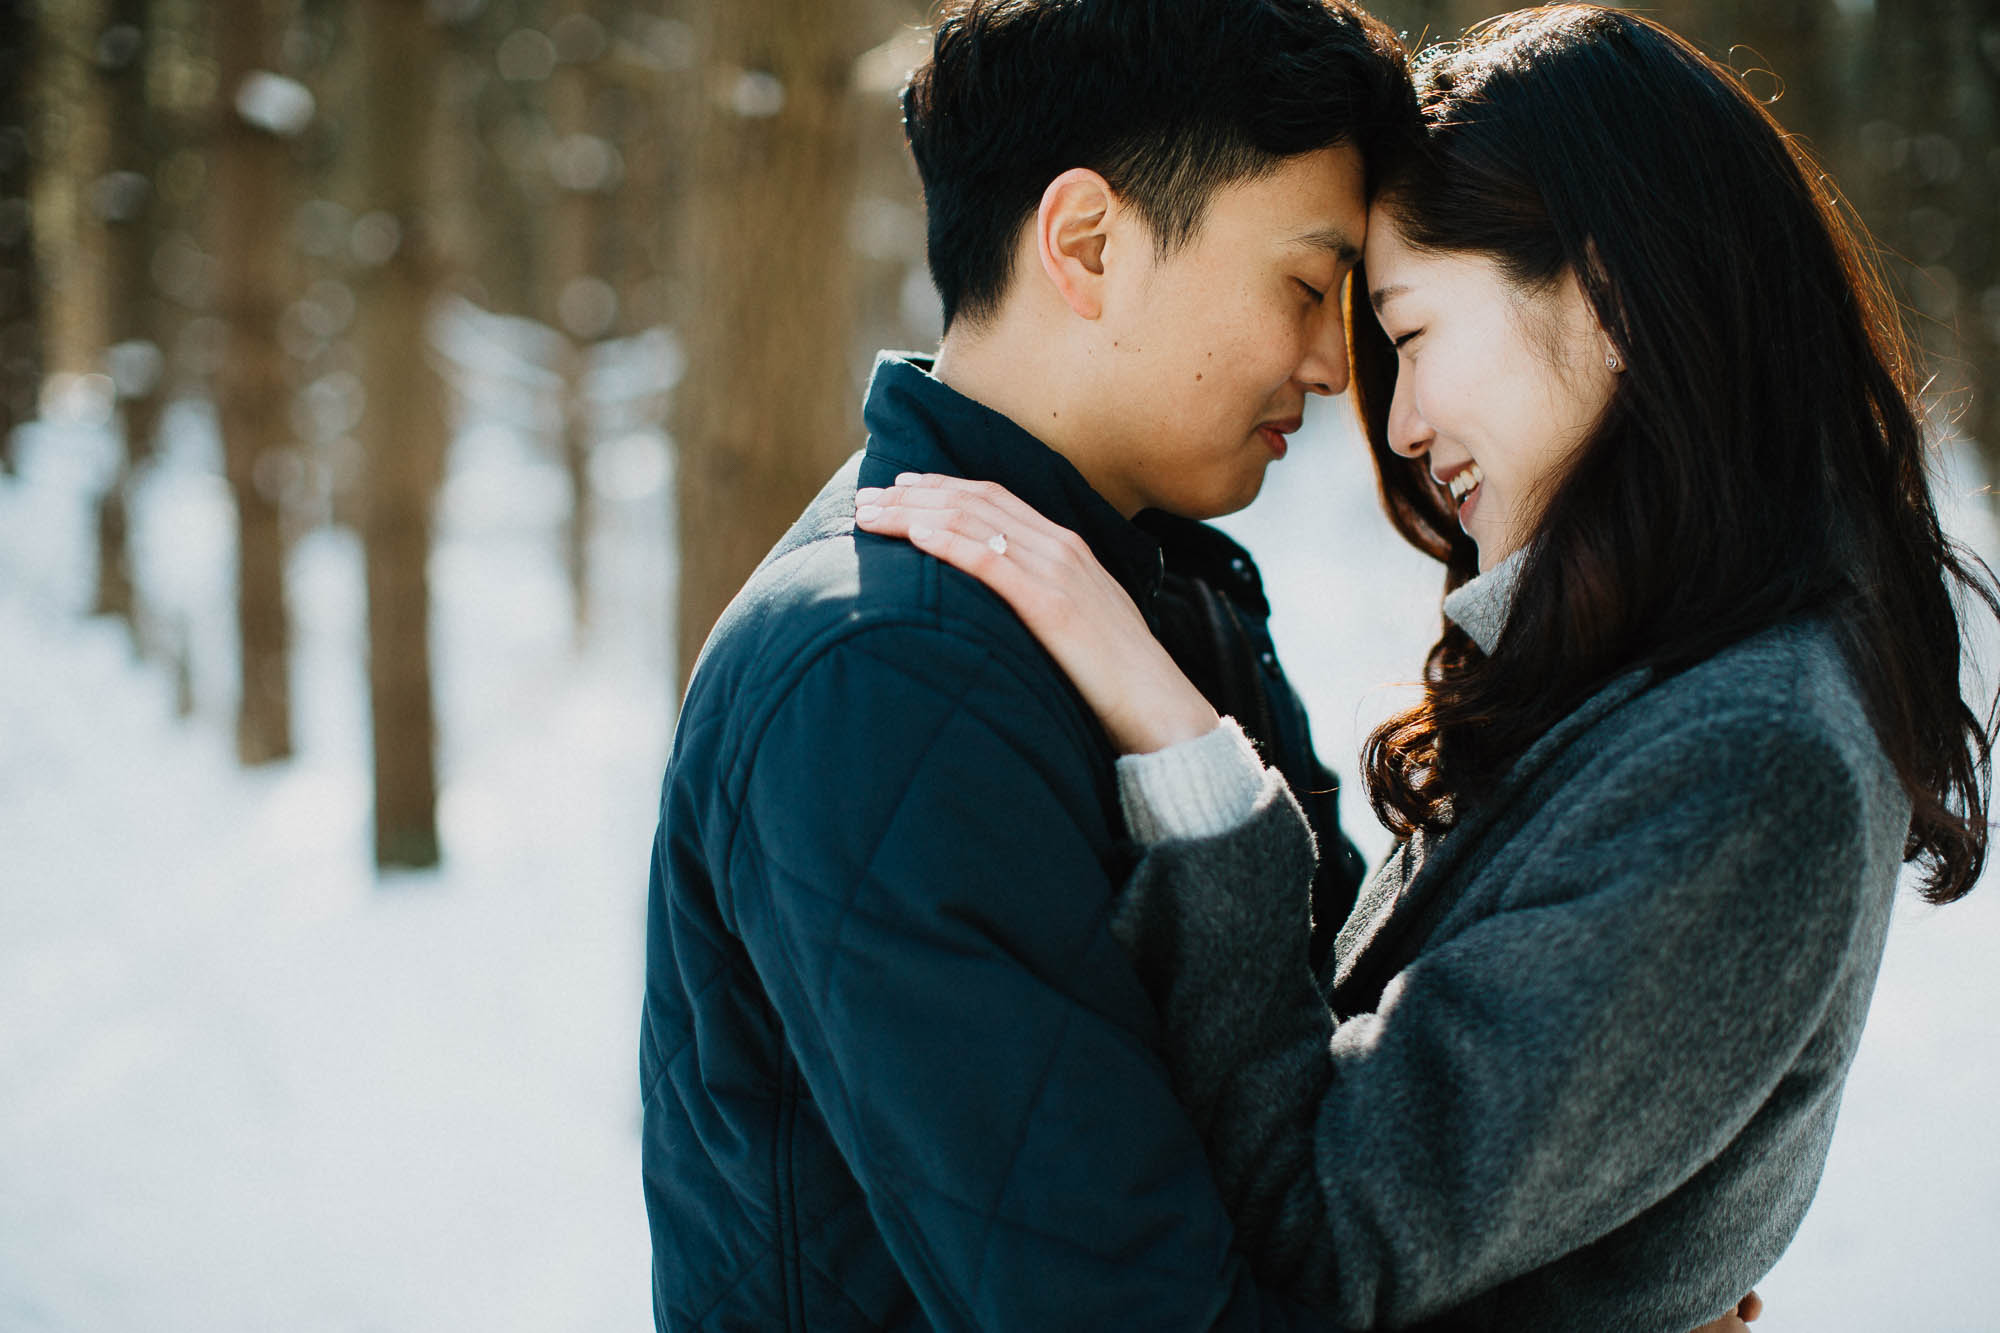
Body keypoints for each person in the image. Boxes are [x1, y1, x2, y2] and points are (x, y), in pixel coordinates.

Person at [853, 5, 1998, 1330]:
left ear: (1611, 294)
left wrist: (1190, 762)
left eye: (1411, 333)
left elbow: (1325, 1235)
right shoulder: (1643, 680)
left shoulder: (1752, 754)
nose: (1394, 423)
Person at [639, 1, 1416, 1327]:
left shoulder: (1148, 591)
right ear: (1088, 242)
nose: (1335, 364)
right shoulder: (879, 672)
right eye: (1305, 284)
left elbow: (1331, 1129)